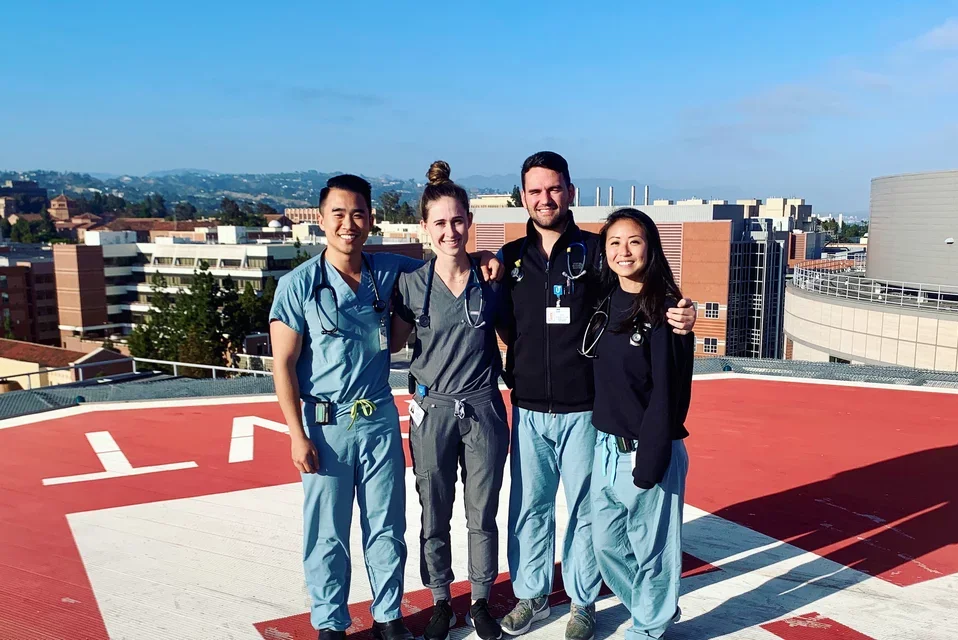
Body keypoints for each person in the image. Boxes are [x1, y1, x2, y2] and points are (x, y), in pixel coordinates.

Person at [269, 174, 503, 640]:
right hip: (325, 425)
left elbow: (445, 257)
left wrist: (483, 257)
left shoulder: (389, 269)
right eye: (338, 213)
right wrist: (296, 434)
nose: (348, 223)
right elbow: (284, 365)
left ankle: (388, 615)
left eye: (358, 213)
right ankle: (331, 623)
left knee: (387, 526)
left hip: (377, 419)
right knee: (327, 534)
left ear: (371, 219)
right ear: (321, 220)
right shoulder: (298, 286)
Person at [497, 152, 697, 640]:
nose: (545, 199)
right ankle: (532, 594)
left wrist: (684, 319)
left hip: (588, 410)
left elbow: (645, 293)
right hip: (527, 408)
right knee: (530, 507)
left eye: (554, 188)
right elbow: (504, 323)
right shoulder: (508, 259)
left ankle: (583, 603)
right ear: (522, 196)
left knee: (587, 513)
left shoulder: (596, 253)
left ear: (570, 191)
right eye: (534, 190)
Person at [390, 161, 510, 640]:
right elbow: (391, 340)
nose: (450, 231)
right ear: (424, 228)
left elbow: (513, 332)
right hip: (431, 410)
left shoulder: (491, 278)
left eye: (458, 220)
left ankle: (480, 598)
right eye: (439, 222)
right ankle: (441, 598)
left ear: (469, 221)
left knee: (482, 513)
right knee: (433, 512)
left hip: (482, 408)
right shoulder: (411, 286)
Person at [583, 208, 694, 639]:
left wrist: (651, 459)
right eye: (614, 242)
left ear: (650, 246)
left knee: (655, 553)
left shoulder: (666, 309)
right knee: (607, 545)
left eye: (634, 241)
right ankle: (656, 609)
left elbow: (668, 394)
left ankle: (647, 628)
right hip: (606, 448)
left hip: (649, 448)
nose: (623, 250)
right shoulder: (607, 300)